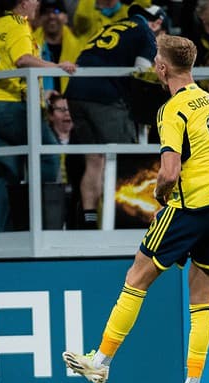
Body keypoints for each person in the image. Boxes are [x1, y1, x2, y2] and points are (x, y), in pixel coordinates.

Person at [62, 34, 209, 383]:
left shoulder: (173, 109)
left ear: (162, 68)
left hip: (191, 206)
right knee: (202, 299)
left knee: (136, 276)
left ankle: (101, 363)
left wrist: (161, 198)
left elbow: (170, 171)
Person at [0, 0, 76, 232]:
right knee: (48, 156)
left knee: (7, 171)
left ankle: (8, 232)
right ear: (22, 3)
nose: (37, 2)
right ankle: (43, 225)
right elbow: (23, 59)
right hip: (9, 107)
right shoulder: (18, 24)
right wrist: (57, 66)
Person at [64, 4, 164, 229]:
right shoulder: (145, 33)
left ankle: (89, 222)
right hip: (103, 96)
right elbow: (140, 76)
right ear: (157, 23)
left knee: (94, 160)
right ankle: (126, 221)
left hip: (74, 94)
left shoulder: (112, 27)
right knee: (126, 159)